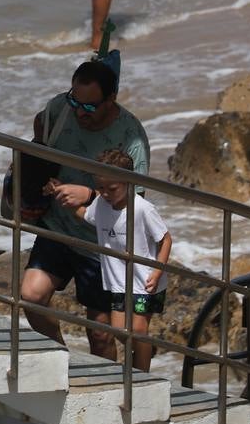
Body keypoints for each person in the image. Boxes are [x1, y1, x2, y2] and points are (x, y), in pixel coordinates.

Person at [18, 59, 150, 361]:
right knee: (30, 296)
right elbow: (41, 132)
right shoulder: (59, 109)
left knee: (100, 334)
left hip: (100, 243)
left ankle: (107, 383)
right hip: (57, 227)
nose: (80, 112)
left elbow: (134, 205)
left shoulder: (131, 137)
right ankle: (63, 361)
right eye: (75, 102)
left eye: (89, 107)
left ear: (111, 99)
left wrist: (90, 195)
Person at [64, 148, 172, 373]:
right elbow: (87, 216)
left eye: (112, 188)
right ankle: (144, 349)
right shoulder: (101, 204)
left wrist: (157, 271)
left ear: (129, 182)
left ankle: (141, 378)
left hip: (145, 282)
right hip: (119, 283)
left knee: (138, 331)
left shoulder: (142, 209)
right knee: (119, 329)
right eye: (100, 187)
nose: (105, 193)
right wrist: (65, 202)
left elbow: (165, 239)